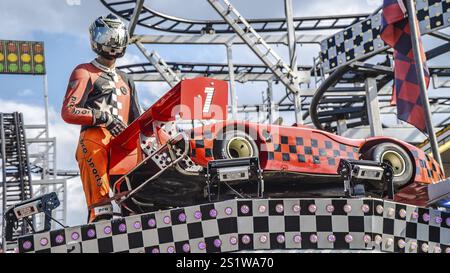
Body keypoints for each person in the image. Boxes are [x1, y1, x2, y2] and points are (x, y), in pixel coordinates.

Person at [61, 14, 141, 223]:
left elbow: (137, 121)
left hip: (122, 144)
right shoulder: (84, 72)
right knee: (91, 141)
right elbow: (68, 111)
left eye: (116, 37)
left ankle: (135, 205)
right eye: (108, 37)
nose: (112, 43)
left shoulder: (126, 80)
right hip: (95, 142)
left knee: (140, 145)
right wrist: (104, 118)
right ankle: (100, 209)